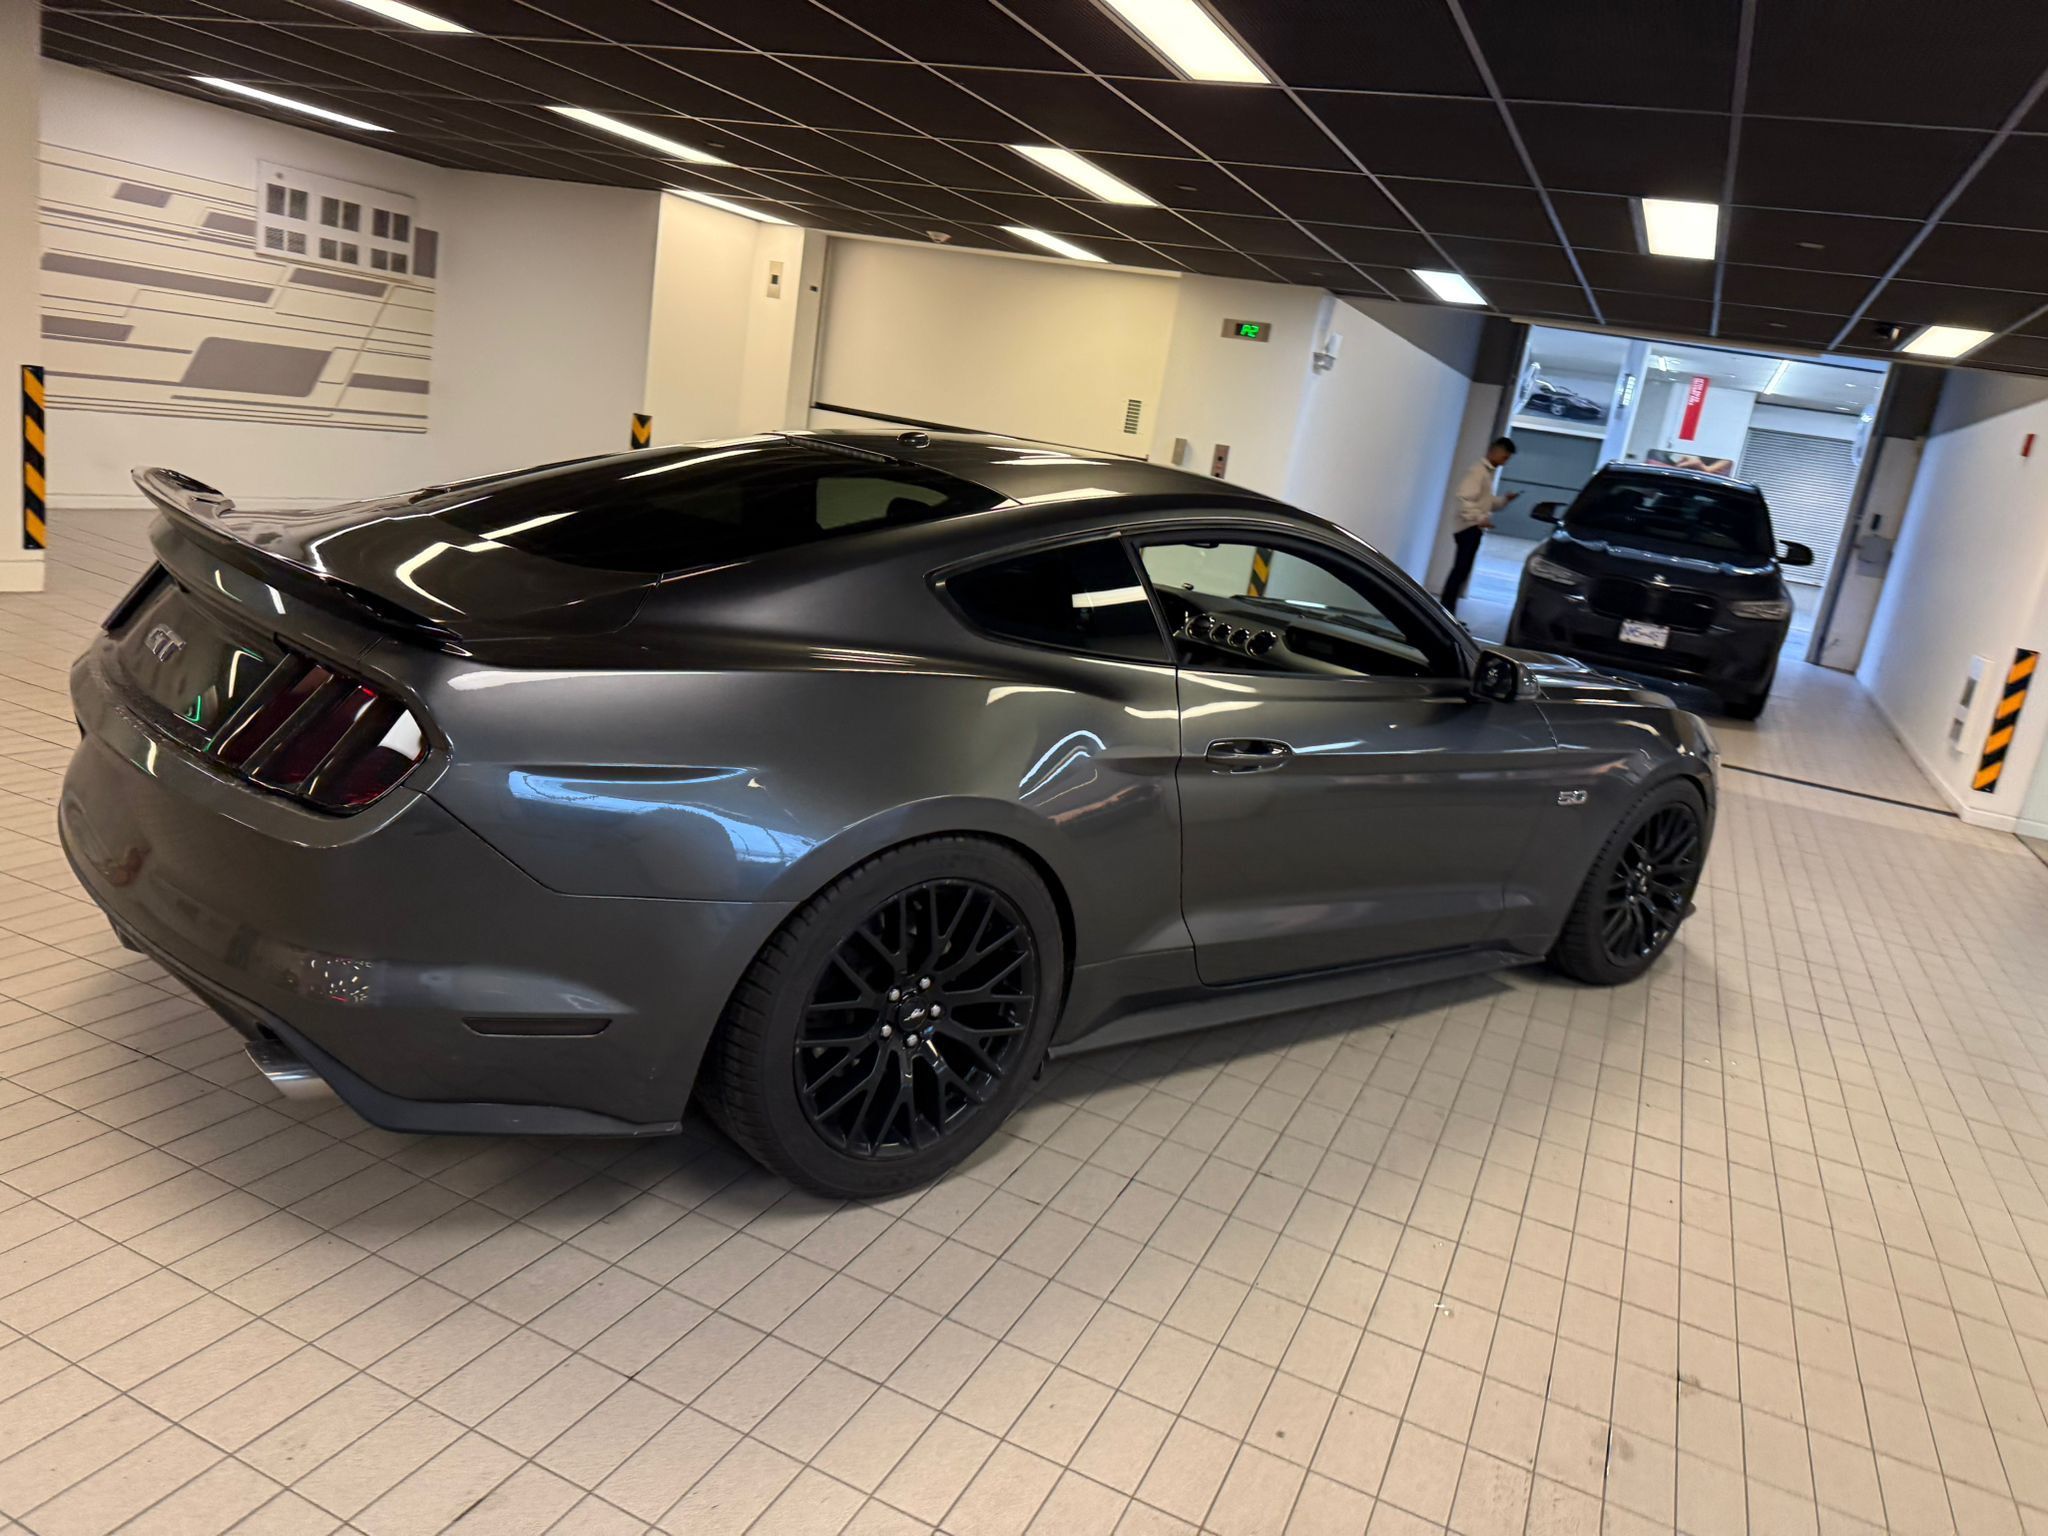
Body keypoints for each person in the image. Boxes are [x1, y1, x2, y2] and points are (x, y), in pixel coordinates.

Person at [1441, 437, 1519, 617]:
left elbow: (1487, 503)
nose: (1505, 462)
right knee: (1459, 572)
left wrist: (1505, 500)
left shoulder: (1486, 473)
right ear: (1495, 452)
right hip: (1468, 528)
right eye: (1505, 457)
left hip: (1473, 528)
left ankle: (1448, 613)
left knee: (1461, 572)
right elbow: (1464, 499)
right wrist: (1480, 518)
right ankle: (1446, 612)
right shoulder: (1477, 472)